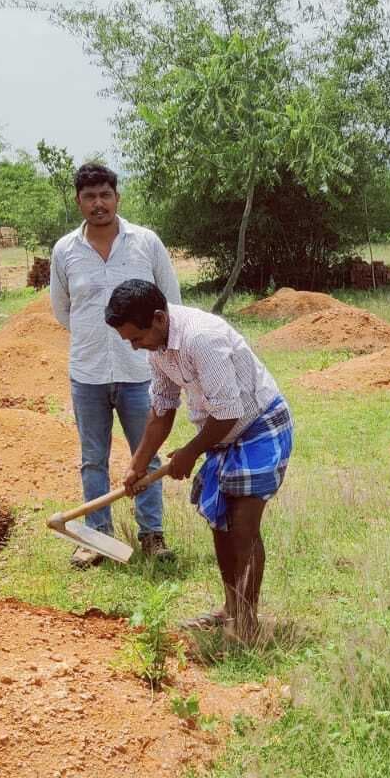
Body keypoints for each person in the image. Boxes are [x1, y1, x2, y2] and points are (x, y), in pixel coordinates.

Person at [106, 280, 293, 644]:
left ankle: (246, 622)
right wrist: (138, 463)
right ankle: (231, 608)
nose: (134, 346)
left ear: (159, 319)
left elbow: (228, 412)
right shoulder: (158, 347)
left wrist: (190, 452)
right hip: (221, 432)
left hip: (259, 427)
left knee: (242, 527)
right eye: (128, 340)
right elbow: (162, 410)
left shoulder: (201, 339)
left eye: (136, 338)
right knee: (220, 522)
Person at [50, 162, 182, 565]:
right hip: (87, 372)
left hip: (140, 372)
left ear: (117, 197)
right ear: (79, 202)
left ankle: (152, 535)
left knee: (148, 454)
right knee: (93, 458)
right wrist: (95, 336)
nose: (98, 203)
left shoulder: (145, 243)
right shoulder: (65, 251)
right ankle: (97, 539)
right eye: (89, 196)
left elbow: (170, 300)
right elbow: (62, 310)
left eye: (105, 194)